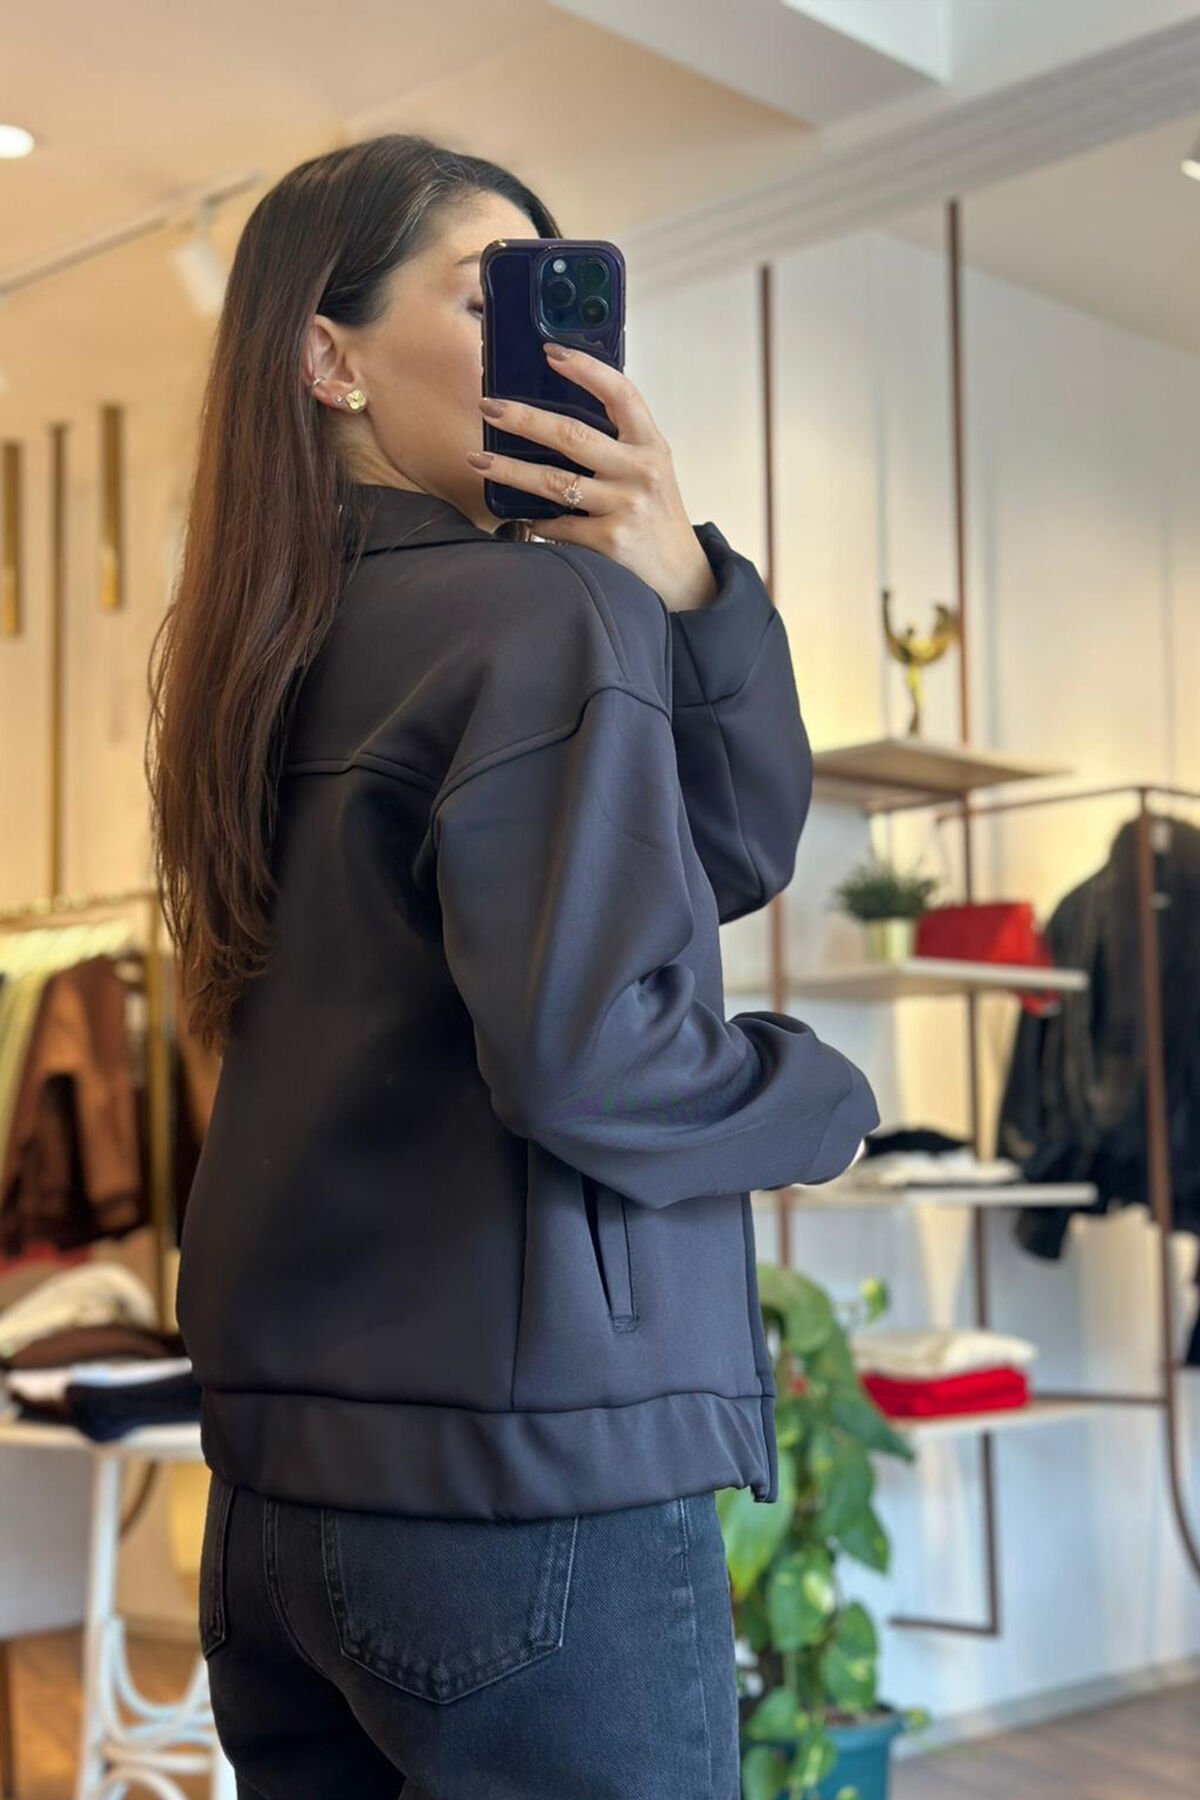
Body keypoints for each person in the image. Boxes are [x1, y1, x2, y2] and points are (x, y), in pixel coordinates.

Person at [146, 133, 879, 1800]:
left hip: (276, 1503)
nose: (542, 352)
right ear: (328, 359)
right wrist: (820, 1100)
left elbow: (705, 858)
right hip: (527, 1491)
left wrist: (686, 591)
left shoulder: (253, 659)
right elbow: (593, 1055)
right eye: (490, 302)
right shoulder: (541, 619)